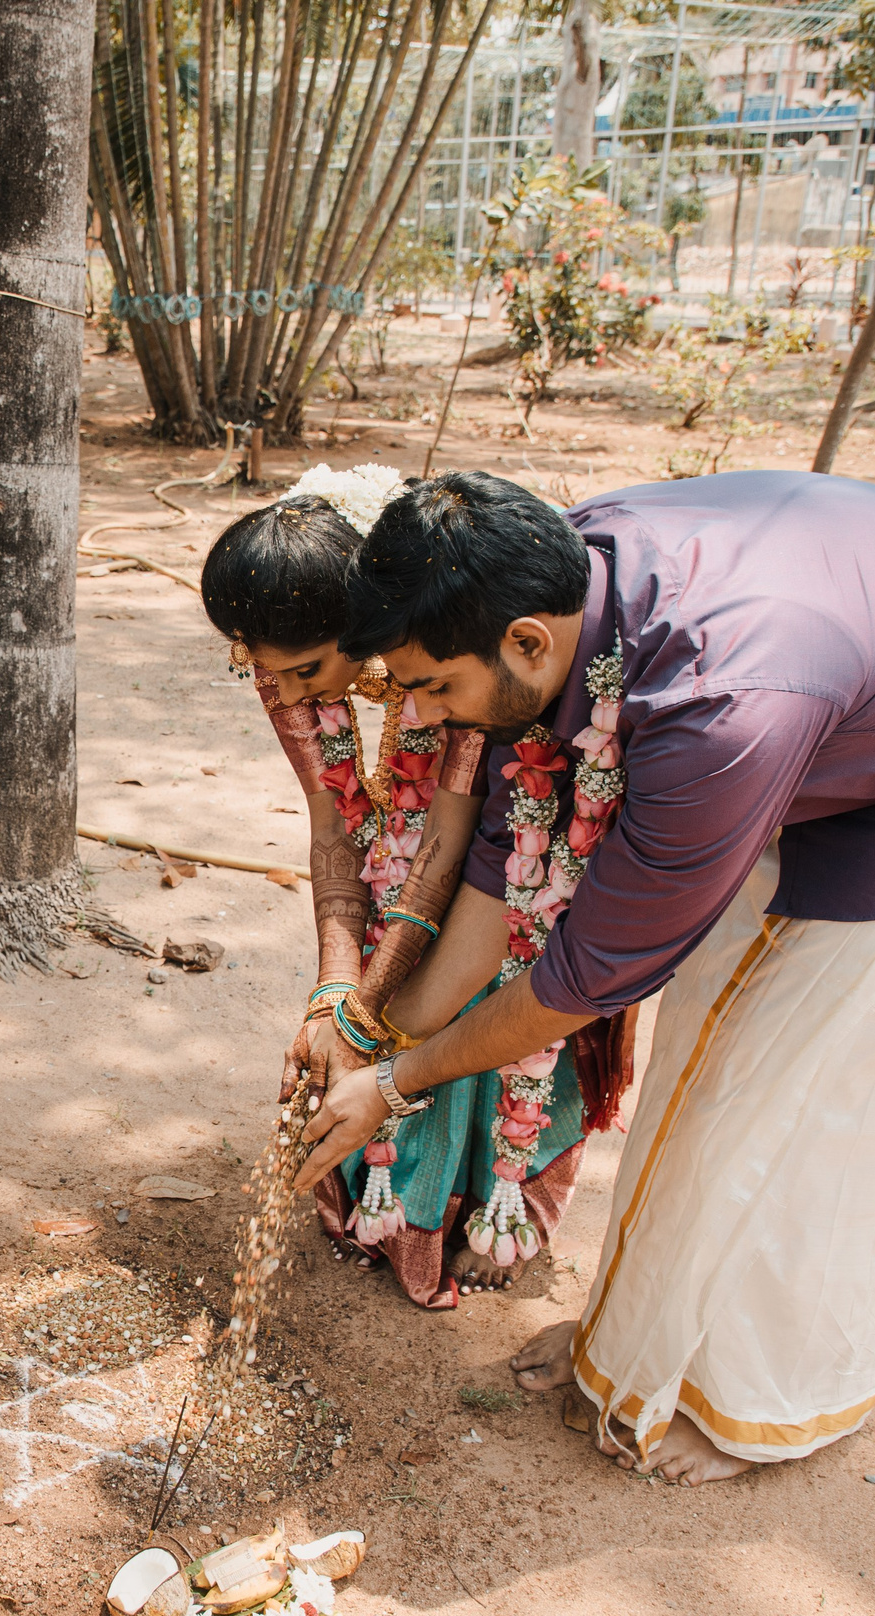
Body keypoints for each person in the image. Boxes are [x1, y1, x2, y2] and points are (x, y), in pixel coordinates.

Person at [297, 469, 875, 1485]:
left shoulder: (719, 708)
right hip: (864, 746)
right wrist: (373, 1033)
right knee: (717, 1069)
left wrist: (396, 1085)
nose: (419, 711)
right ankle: (626, 1349)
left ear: (529, 642)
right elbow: (499, 866)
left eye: (434, 687)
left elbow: (578, 984)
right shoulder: (561, 574)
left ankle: (752, 1404)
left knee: (797, 1099)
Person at [201, 472, 626, 1307]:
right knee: (367, 1017)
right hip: (390, 866)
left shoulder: (442, 662)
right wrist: (334, 989)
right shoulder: (284, 656)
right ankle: (381, 1194)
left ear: (364, 634)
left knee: (492, 990)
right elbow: (333, 825)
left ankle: (490, 1207)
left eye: (306, 669)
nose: (283, 690)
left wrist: (366, 1013)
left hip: (499, 866)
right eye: (264, 671)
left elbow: (446, 852)